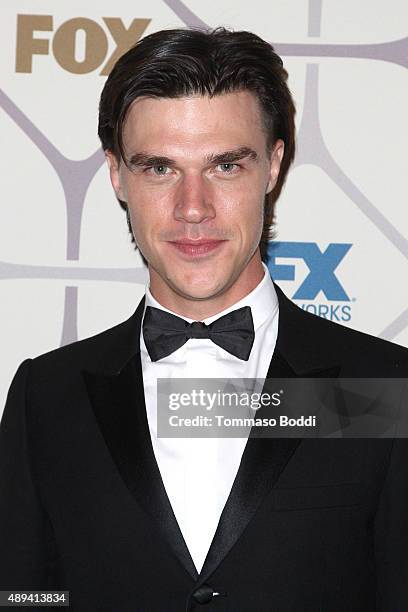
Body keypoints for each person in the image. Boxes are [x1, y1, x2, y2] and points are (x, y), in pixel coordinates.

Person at [0, 27, 407, 612]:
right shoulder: (46, 395)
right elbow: (24, 593)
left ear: (272, 167)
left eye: (225, 166)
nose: (193, 208)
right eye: (159, 168)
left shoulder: (383, 387)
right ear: (117, 175)